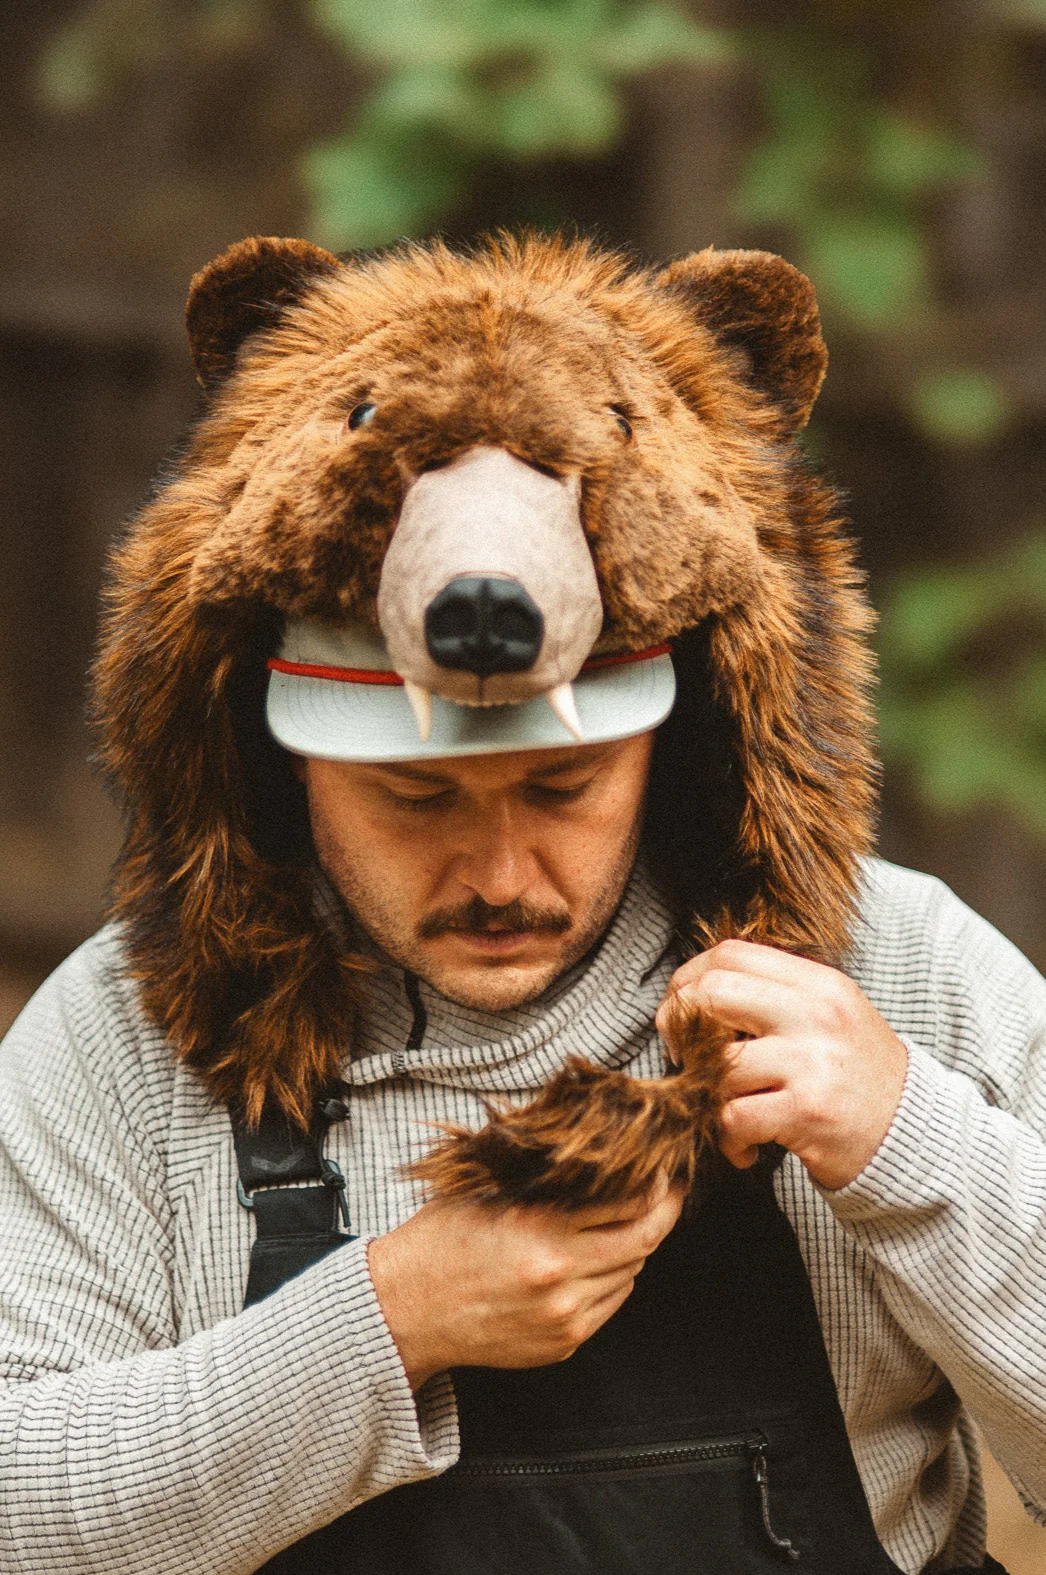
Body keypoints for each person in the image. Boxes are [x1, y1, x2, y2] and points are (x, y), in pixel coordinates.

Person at [2, 233, 1045, 1574]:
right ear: (287, 757)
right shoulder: (128, 1043)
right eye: (418, 802)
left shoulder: (902, 976)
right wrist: (378, 1326)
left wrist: (915, 1155)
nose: (499, 872)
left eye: (561, 788)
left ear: (670, 742)